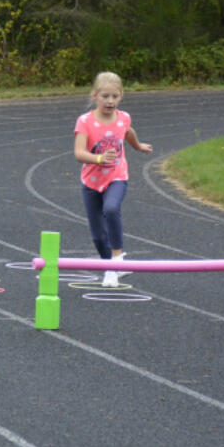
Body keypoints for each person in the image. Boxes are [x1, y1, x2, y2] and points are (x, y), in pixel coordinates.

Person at [73, 71, 153, 287]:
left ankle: (117, 259)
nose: (110, 101)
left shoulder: (123, 117)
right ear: (95, 96)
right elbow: (79, 153)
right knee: (98, 236)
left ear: (121, 96)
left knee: (111, 208)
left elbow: (128, 132)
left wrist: (138, 146)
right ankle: (109, 266)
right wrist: (98, 158)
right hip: (91, 183)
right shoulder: (85, 121)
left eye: (114, 97)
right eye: (105, 96)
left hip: (117, 177)